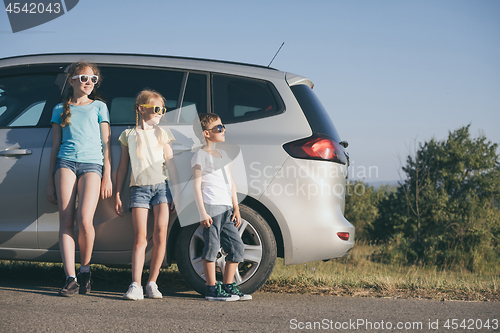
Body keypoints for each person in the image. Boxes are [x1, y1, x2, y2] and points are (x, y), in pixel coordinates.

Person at [46, 62, 113, 297]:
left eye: (93, 79)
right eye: (83, 78)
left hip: (92, 165)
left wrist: (108, 177)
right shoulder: (59, 109)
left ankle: (85, 270)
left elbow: (107, 145)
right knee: (66, 220)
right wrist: (49, 180)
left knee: (85, 220)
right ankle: (70, 278)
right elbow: (55, 147)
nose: (88, 83)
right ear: (72, 80)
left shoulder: (99, 107)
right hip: (65, 163)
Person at [115, 89, 178, 300]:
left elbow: (170, 164)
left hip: (162, 187)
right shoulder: (128, 135)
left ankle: (152, 282)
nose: (161, 113)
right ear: (141, 109)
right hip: (138, 189)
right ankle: (135, 284)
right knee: (140, 237)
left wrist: (176, 192)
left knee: (161, 235)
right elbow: (123, 168)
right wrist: (117, 193)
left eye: (163, 109)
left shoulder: (163, 134)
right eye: (156, 109)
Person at [191, 113, 252, 301]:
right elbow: (196, 185)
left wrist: (236, 207)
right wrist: (202, 211)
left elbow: (231, 182)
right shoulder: (199, 155)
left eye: (223, 126)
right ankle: (211, 289)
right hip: (211, 206)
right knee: (212, 247)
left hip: (226, 207)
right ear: (206, 134)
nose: (223, 130)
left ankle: (228, 286)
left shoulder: (223, 155)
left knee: (236, 247)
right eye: (218, 128)